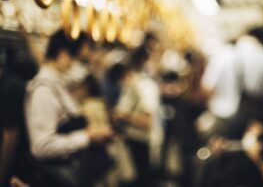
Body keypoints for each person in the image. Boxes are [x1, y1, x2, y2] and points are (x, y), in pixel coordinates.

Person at [25, 29, 113, 187]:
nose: (78, 65)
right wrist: (87, 137)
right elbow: (41, 146)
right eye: (78, 59)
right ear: (63, 55)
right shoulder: (43, 91)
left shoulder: (59, 85)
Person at [113, 43, 162, 187]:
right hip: (135, 141)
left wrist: (124, 116)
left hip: (143, 144)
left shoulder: (143, 87)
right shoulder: (132, 86)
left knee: (144, 180)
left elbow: (148, 121)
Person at [0, 46, 37, 187]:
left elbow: (11, 138)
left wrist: (1, 176)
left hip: (17, 167)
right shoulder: (10, 83)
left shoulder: (11, 88)